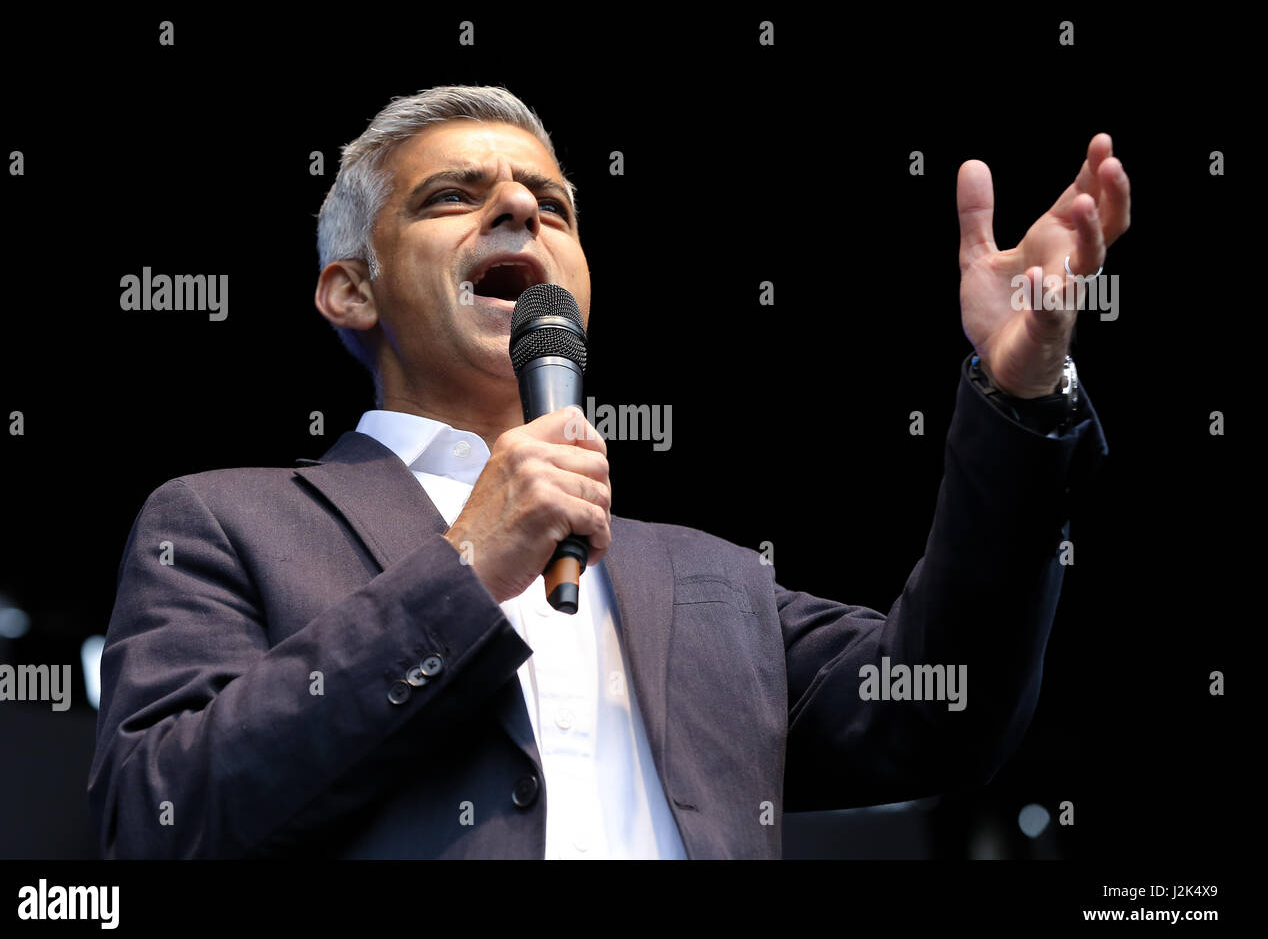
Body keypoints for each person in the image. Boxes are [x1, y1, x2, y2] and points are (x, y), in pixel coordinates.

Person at [88, 84, 1128, 859]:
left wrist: (1018, 401)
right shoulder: (225, 520)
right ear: (350, 290)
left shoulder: (710, 580)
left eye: (552, 203)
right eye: (455, 194)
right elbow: (155, 816)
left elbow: (944, 713)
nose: (517, 209)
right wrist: (462, 572)